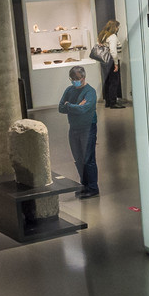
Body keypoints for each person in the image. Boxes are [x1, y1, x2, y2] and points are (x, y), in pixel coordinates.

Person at [59, 65, 99, 198]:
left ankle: (93, 188)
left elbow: (84, 109)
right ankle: (84, 185)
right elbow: (60, 108)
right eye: (73, 78)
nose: (75, 81)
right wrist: (75, 106)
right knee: (78, 159)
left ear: (83, 77)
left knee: (88, 159)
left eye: (78, 78)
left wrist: (69, 105)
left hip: (88, 128)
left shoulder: (90, 92)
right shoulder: (69, 90)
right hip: (74, 128)